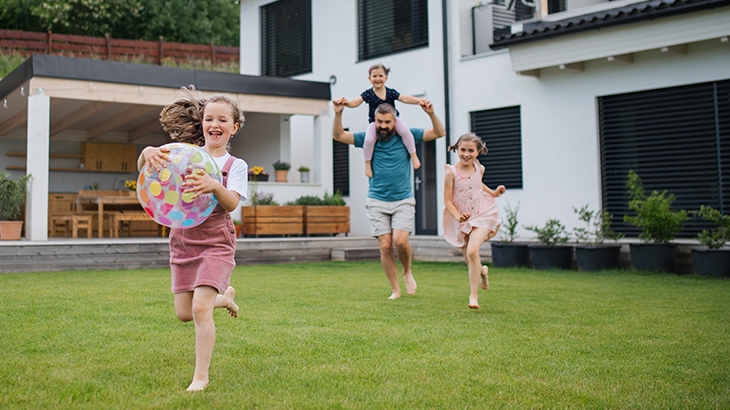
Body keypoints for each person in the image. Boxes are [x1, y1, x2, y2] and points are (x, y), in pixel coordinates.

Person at [137, 87, 248, 392]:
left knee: (200, 309)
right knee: (185, 313)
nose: (215, 124)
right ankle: (224, 298)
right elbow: (149, 172)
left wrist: (214, 185)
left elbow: (231, 204)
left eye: (223, 120)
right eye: (209, 118)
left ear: (233, 127)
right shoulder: (184, 154)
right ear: (201, 123)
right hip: (183, 240)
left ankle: (201, 377)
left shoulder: (234, 166)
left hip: (216, 242)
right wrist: (145, 154)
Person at [332, 99, 445, 300]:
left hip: (403, 199)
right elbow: (338, 135)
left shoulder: (407, 135)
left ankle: (407, 271)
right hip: (376, 199)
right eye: (379, 122)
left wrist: (431, 113)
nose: (383, 126)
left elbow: (439, 133)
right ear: (374, 120)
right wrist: (339, 113)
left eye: (387, 122)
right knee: (385, 245)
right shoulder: (369, 137)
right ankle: (395, 290)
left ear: (395, 122)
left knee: (401, 242)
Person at [443, 133, 505, 310]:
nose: (466, 154)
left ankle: (473, 296)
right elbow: (447, 200)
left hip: (483, 213)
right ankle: (482, 271)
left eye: (471, 150)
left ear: (478, 152)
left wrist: (493, 193)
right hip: (461, 216)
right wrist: (457, 217)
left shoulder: (480, 168)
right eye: (463, 150)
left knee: (472, 251)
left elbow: (479, 184)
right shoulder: (451, 173)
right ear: (457, 149)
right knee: (470, 259)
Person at [339, 63, 423, 178]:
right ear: (369, 78)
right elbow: (355, 102)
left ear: (386, 78)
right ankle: (367, 163)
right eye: (374, 76)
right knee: (368, 140)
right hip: (375, 123)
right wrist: (346, 103)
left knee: (406, 132)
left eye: (380, 76)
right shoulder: (368, 94)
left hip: (394, 120)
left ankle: (413, 155)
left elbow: (405, 98)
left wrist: (419, 101)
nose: (377, 79)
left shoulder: (390, 92)